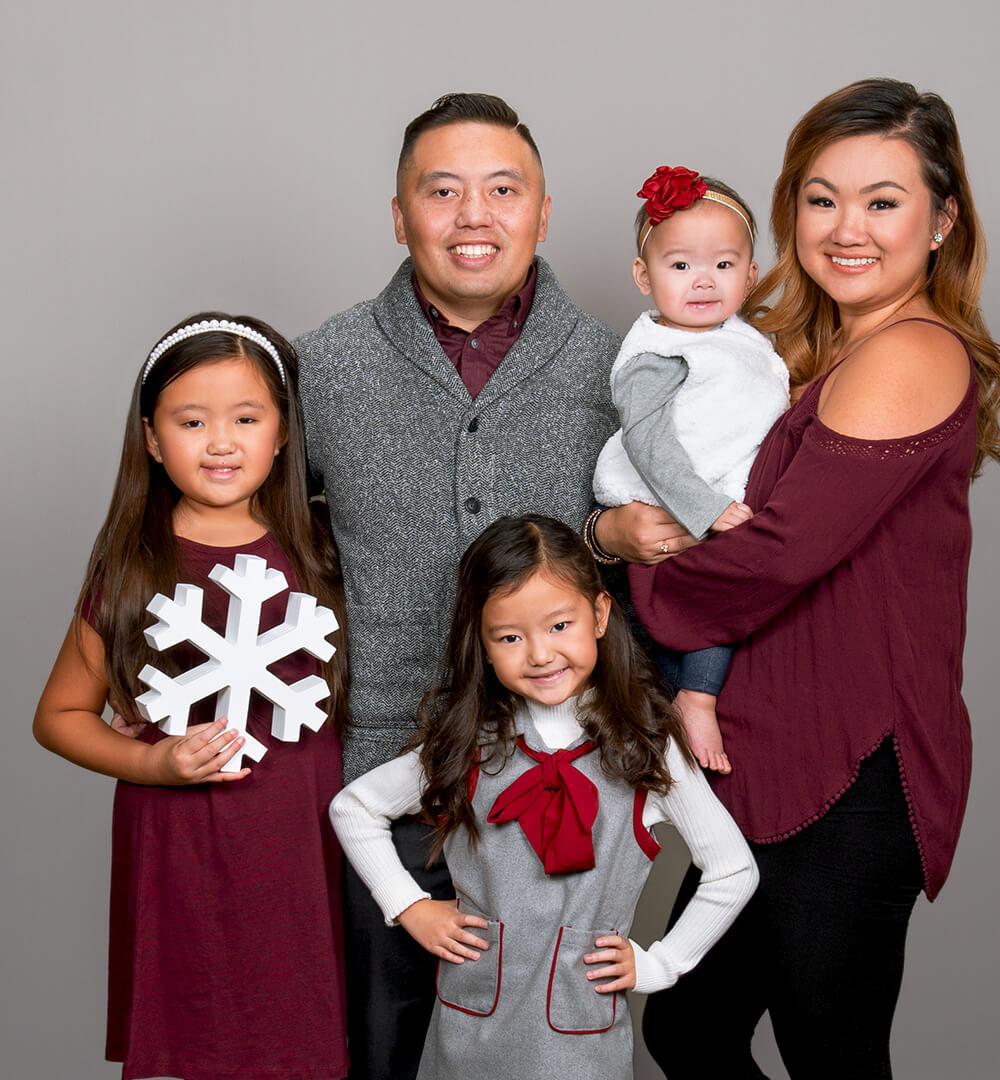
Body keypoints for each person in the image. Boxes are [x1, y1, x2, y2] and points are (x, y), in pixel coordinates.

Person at [629, 78, 1000, 1079]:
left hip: (856, 757)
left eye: (883, 201)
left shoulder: (910, 352)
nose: (848, 227)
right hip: (768, 738)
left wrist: (617, 584)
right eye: (821, 196)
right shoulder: (800, 353)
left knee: (828, 1048)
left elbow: (777, 554)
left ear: (942, 220)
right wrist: (613, 522)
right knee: (689, 1027)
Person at [294, 93, 622, 1079]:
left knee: (555, 1047)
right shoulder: (324, 366)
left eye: (502, 189)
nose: (473, 216)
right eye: (442, 192)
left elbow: (668, 575)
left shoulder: (618, 372)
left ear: (544, 211)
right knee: (382, 1046)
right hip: (387, 783)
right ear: (400, 215)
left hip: (570, 790)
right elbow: (243, 535)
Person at [330, 515, 758, 1080]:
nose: (539, 654)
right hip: (468, 1031)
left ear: (600, 615)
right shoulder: (467, 742)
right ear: (480, 643)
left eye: (559, 625)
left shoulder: (647, 748)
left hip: (581, 1041)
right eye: (509, 637)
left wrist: (661, 964)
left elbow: (732, 870)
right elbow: (353, 808)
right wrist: (409, 906)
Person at [34, 315, 349, 1080]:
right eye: (191, 421)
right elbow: (59, 717)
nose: (220, 442)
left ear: (282, 433)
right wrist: (157, 765)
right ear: (150, 438)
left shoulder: (323, 547)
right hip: (183, 845)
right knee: (200, 1032)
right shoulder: (134, 565)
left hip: (302, 843)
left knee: (303, 1039)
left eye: (246, 418)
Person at [592, 166, 789, 772]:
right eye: (680, 266)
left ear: (751, 276)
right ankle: (696, 701)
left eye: (724, 266)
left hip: (713, 501)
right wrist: (703, 508)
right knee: (706, 611)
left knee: (723, 606)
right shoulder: (657, 352)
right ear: (643, 277)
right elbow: (651, 443)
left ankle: (688, 714)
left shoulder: (741, 340)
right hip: (667, 505)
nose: (703, 281)